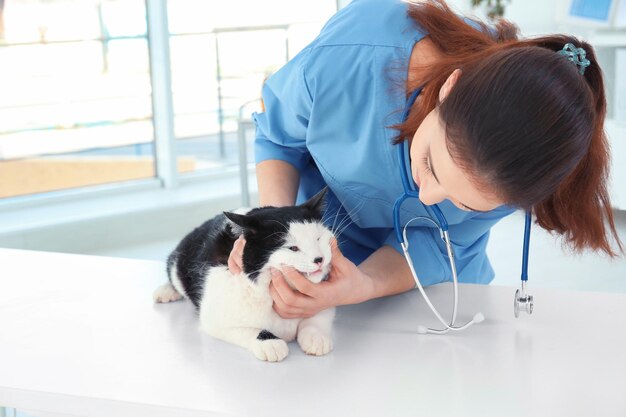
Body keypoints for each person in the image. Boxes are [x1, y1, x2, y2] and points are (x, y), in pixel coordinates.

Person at [228, 0, 623, 319]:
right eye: (432, 164)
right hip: (313, 260)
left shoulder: (523, 166)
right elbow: (279, 137)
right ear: (450, 87)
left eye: (463, 202)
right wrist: (274, 228)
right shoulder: (354, 54)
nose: (429, 196)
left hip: (434, 297)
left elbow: (438, 244)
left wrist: (362, 285)